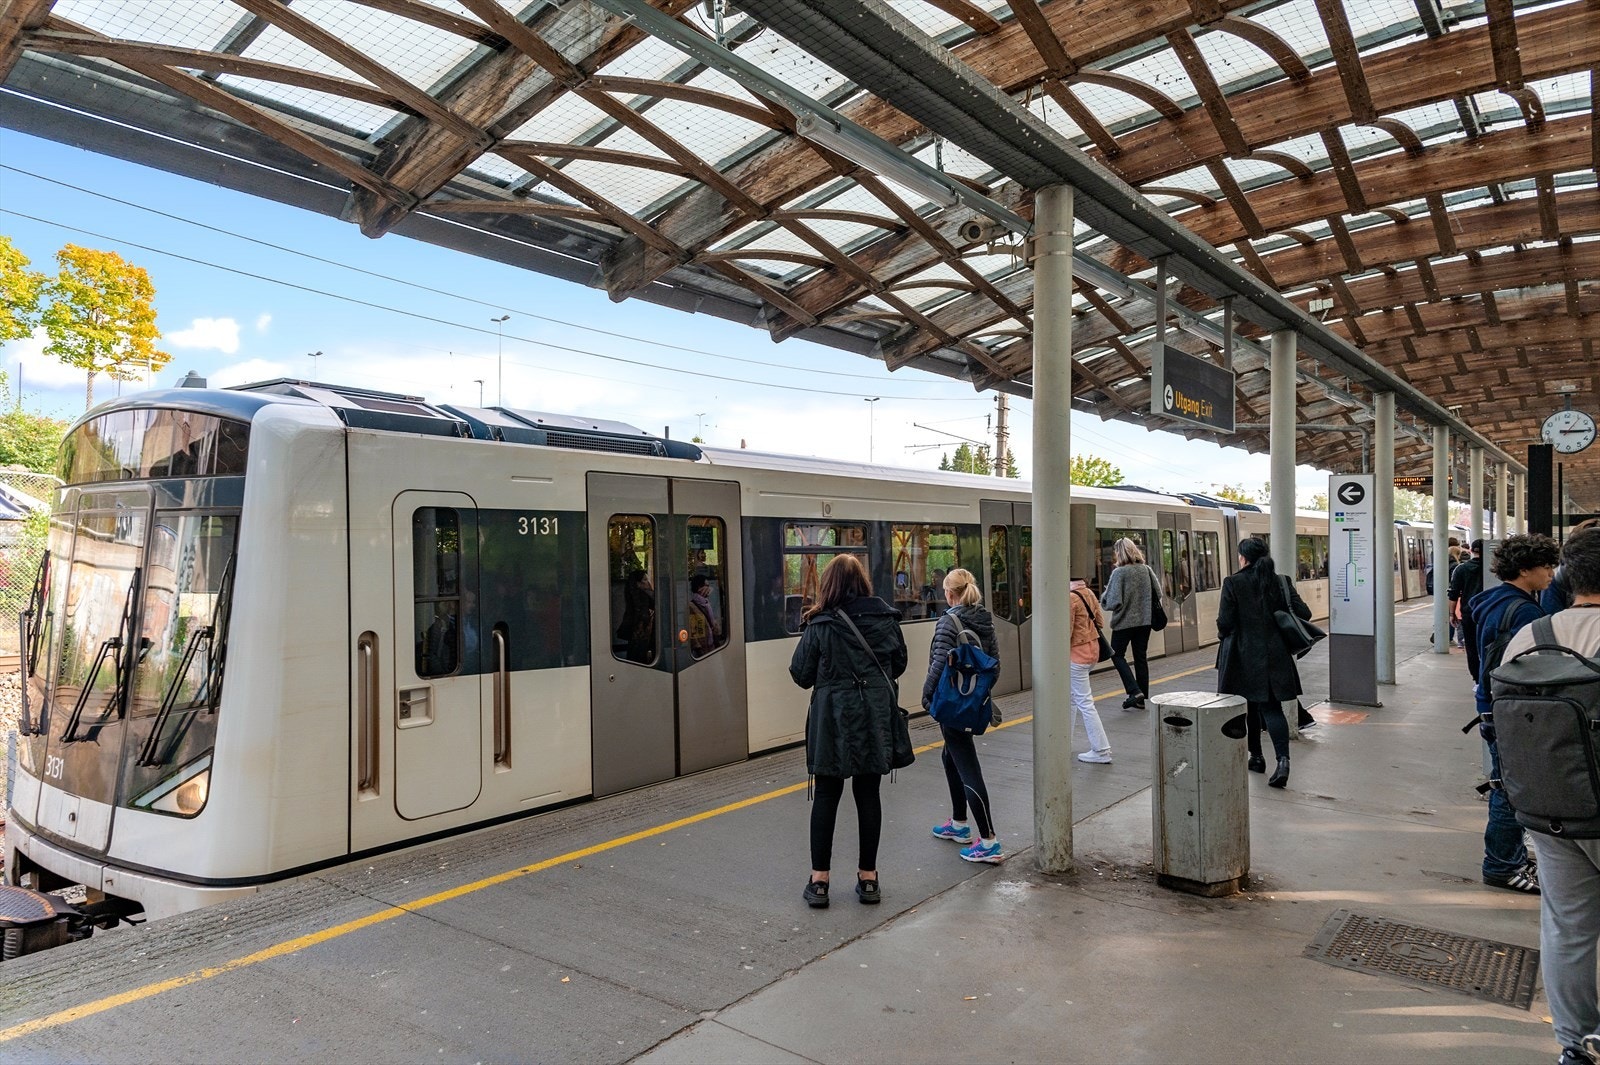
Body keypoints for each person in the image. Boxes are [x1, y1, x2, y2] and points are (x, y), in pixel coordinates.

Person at [1495, 528, 1600, 1065]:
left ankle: (1575, 1044)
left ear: (1565, 578)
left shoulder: (1530, 635)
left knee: (1566, 927)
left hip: (1546, 807)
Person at [789, 554, 908, 908]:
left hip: (832, 722)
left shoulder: (821, 624)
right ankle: (868, 879)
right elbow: (898, 664)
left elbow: (800, 674)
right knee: (868, 794)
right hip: (873, 717)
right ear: (863, 583)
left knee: (826, 796)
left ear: (829, 585)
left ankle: (820, 882)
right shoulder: (887, 620)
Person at [1471, 533, 1560, 894]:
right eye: (1546, 566)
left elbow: (1478, 661)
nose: (1552, 573)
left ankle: (1510, 857)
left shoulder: (1490, 602)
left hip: (1491, 704)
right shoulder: (1525, 611)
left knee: (1504, 784)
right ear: (1525, 570)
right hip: (1510, 710)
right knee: (1511, 790)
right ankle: (1501, 865)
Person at [921, 567, 1003, 863]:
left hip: (952, 703)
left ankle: (989, 840)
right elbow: (994, 665)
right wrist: (977, 695)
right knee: (950, 756)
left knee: (967, 765)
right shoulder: (984, 619)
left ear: (948, 593)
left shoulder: (948, 622)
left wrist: (927, 695)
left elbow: (938, 664)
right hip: (971, 702)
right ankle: (958, 824)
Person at [1216, 537, 1310, 789]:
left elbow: (1225, 622)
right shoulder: (1280, 581)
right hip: (1275, 655)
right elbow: (1304, 613)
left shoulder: (1233, 582)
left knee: (1248, 709)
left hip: (1242, 655)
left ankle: (1256, 757)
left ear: (1243, 557)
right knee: (1271, 709)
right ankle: (1283, 762)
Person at [1099, 537, 1157, 711]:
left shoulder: (1119, 573)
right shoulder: (1146, 570)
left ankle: (1134, 690)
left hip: (1124, 623)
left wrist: (1104, 597)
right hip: (1145, 622)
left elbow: (1112, 602)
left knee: (1117, 655)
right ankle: (1141, 698)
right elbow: (1159, 593)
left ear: (1120, 553)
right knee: (1140, 657)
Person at [1068, 576, 1113, 764]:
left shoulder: (1070, 598)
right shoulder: (1088, 593)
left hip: (1076, 655)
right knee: (1071, 698)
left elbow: (1065, 631)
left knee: (1084, 702)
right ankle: (1063, 741)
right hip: (1092, 652)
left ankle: (1101, 750)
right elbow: (1100, 622)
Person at [1449, 540, 1485, 677]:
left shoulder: (1461, 569)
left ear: (1470, 550)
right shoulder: (1493, 569)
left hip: (1469, 613)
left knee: (1471, 647)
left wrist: (1452, 614)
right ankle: (1488, 676)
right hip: (1489, 612)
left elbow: (1453, 593)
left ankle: (1477, 678)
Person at [618, 568, 655, 664]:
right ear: (638, 584)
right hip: (643, 637)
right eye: (645, 580)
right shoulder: (643, 597)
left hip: (635, 637)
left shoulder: (632, 596)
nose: (648, 582)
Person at [687, 574, 721, 656]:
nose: (710, 589)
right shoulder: (691, 606)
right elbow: (692, 630)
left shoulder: (706, 603)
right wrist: (698, 647)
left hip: (711, 644)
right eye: (707, 586)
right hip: (702, 648)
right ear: (699, 588)